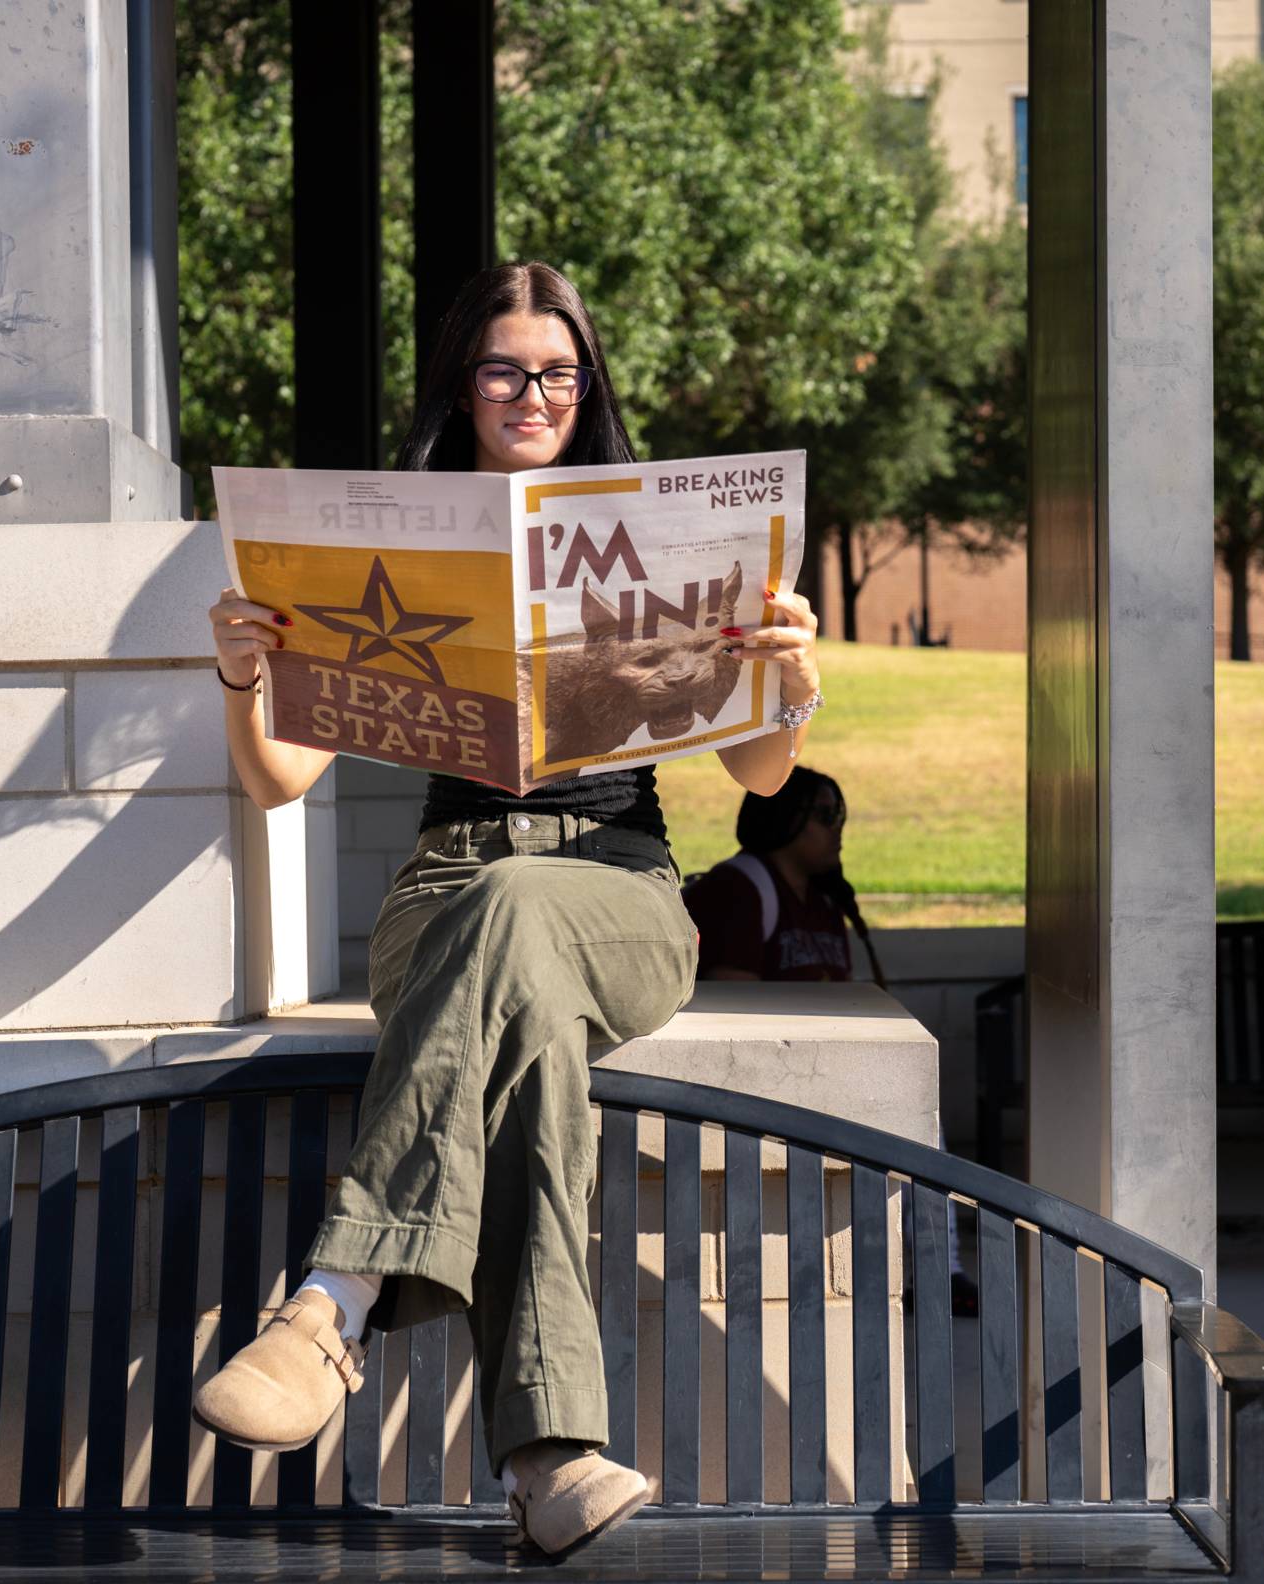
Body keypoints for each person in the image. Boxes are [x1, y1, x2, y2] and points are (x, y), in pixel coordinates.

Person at [190, 261, 825, 1552]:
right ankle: (552, 1460)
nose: (530, 392)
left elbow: (760, 778)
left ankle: (333, 1297)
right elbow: (276, 781)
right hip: (448, 891)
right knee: (527, 1024)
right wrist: (239, 675)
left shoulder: (667, 534)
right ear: (462, 387)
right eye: (502, 369)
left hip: (625, 892)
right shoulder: (394, 533)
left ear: (585, 385)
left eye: (555, 371)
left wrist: (790, 682)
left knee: (532, 910)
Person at [683, 768, 885, 987]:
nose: (837, 828)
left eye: (839, 816)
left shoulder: (827, 897)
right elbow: (734, 1005)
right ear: (784, 815)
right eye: (825, 816)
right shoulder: (739, 888)